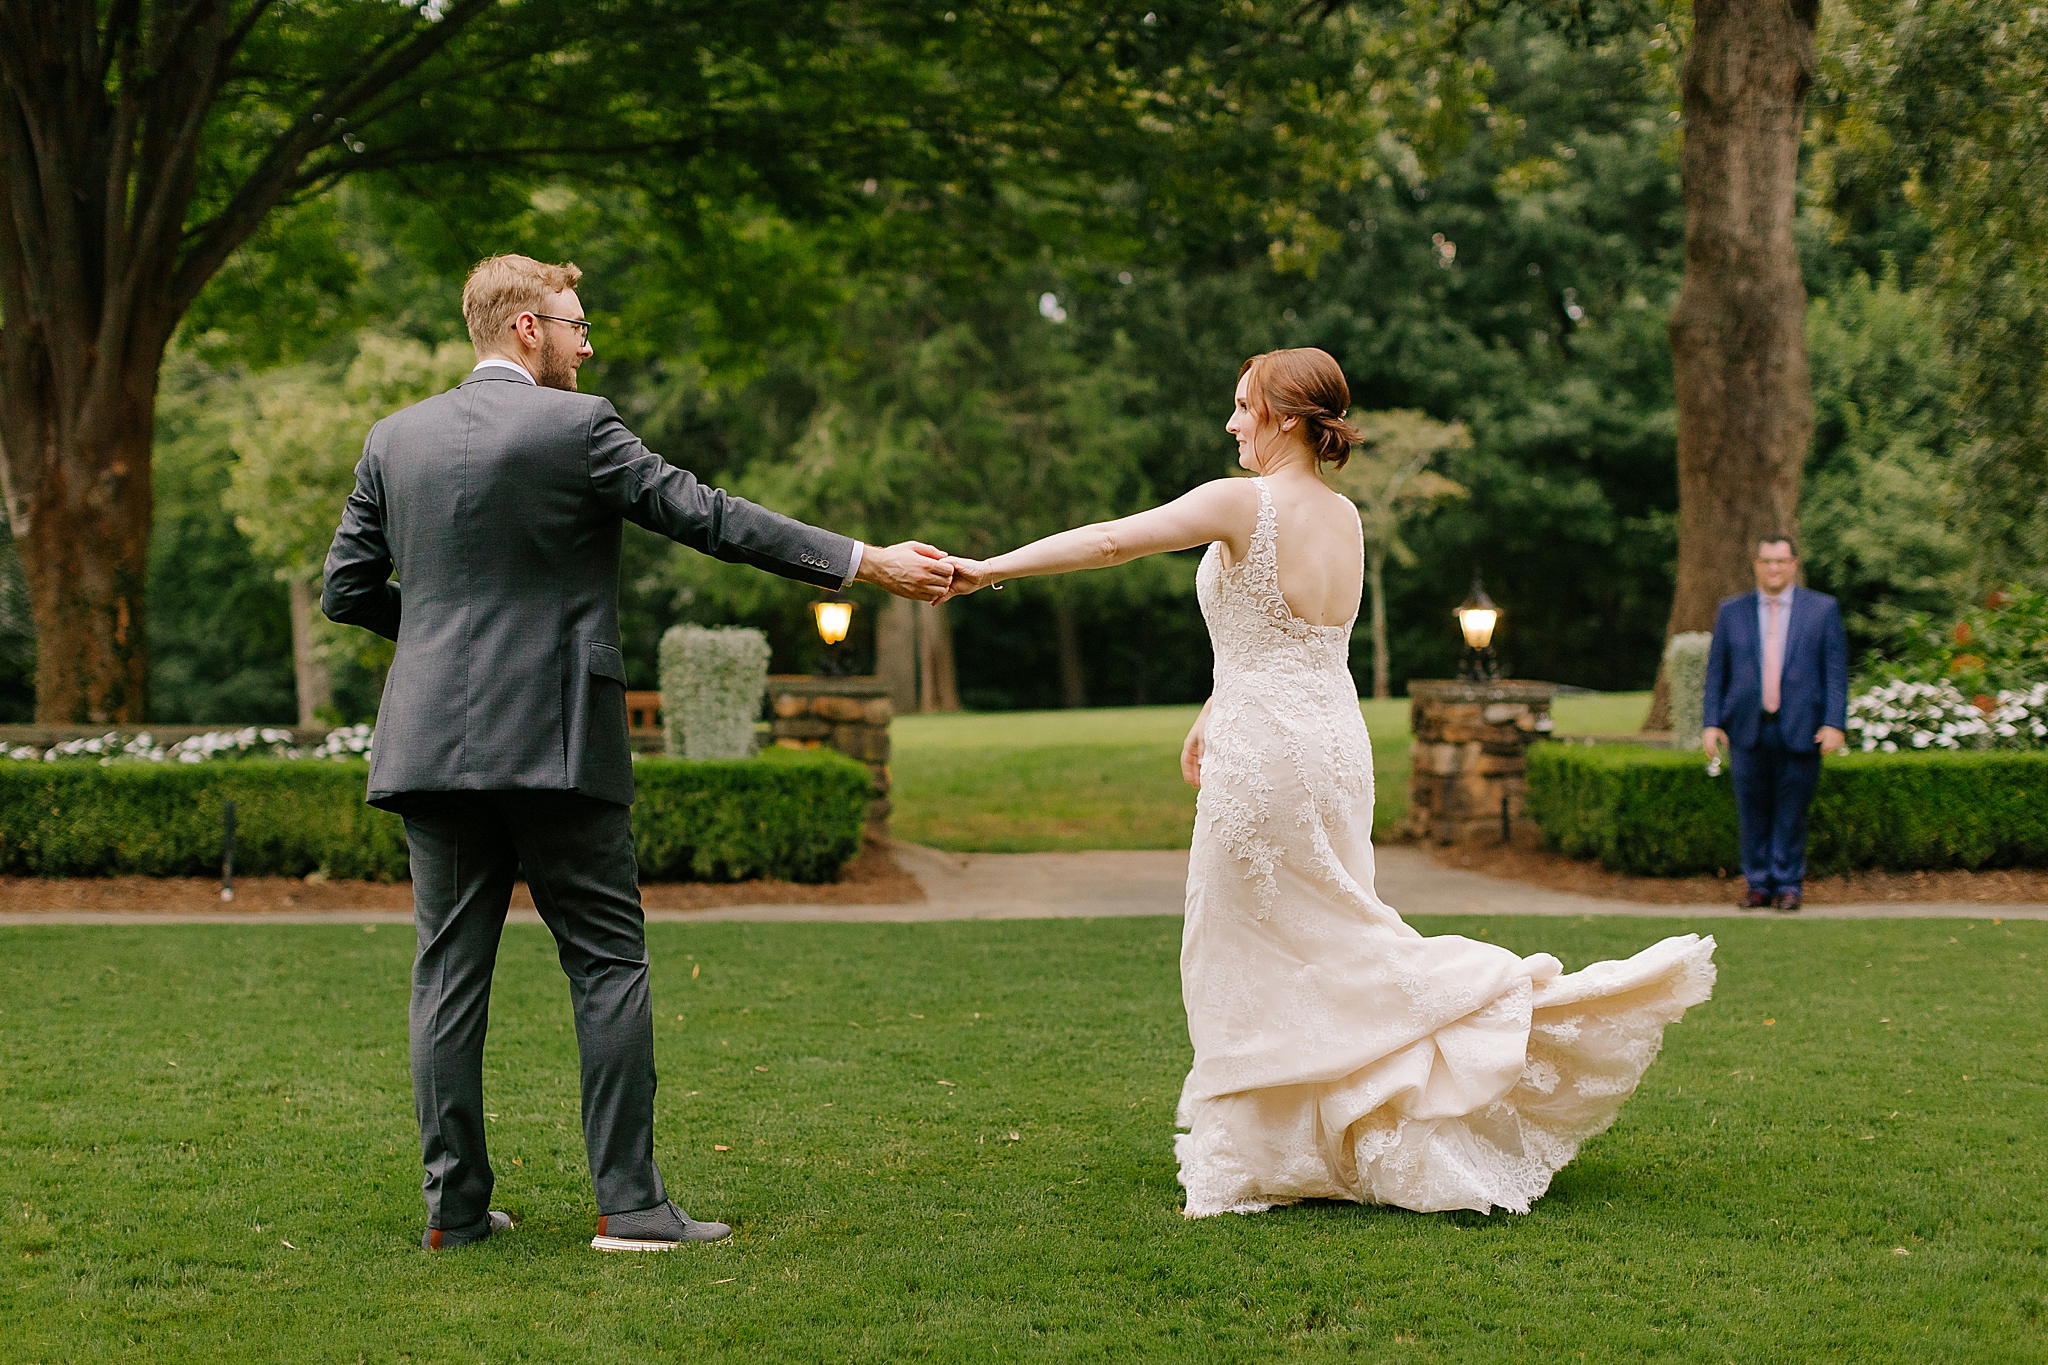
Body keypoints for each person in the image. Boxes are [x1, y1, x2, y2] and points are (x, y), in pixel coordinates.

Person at [943, 347, 1716, 1217]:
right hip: (1332, 748)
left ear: (1282, 416)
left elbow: (1117, 539)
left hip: (1267, 753)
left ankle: (1440, 1041)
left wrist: (988, 568)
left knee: (1246, 940)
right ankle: (1330, 1127)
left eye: (1242, 407)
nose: (1232, 423)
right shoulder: (1345, 517)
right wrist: (1210, 706)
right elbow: (1292, 641)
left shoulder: (1243, 500)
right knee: (1335, 929)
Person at [322, 254, 955, 1252]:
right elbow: (706, 516)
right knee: (608, 965)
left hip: (430, 741)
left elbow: (346, 591)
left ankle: (452, 1212)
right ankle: (630, 1206)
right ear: (526, 329)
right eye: (574, 323)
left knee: (445, 977)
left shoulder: (391, 440)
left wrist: (445, 638)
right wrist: (861, 561)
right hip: (559, 738)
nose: (587, 341)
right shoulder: (577, 429)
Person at [1700, 537, 1849, 912]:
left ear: (1794, 564)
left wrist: (1834, 722)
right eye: (1767, 561)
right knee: (1751, 809)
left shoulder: (1822, 609)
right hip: (1747, 726)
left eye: (1781, 561)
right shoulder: (1731, 611)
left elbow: (1835, 672)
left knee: (1792, 809)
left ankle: (1787, 885)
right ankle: (1757, 885)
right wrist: (1711, 723)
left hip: (1802, 726)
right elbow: (1717, 672)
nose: (1774, 569)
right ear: (1756, 564)